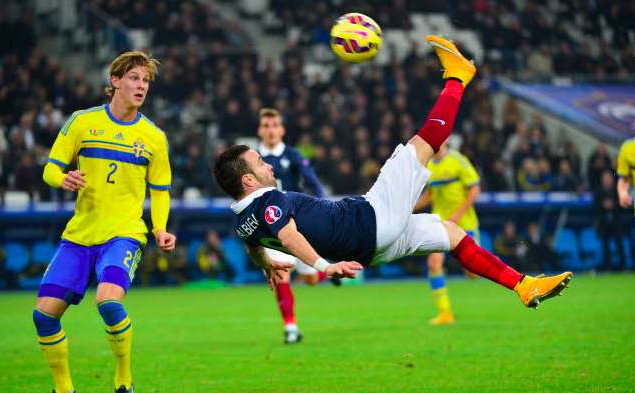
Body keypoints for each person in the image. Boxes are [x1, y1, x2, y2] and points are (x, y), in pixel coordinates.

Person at [212, 36, 572, 316]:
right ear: (248, 180)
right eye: (260, 164)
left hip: (372, 249)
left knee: (451, 234)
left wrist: (269, 268)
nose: (269, 166)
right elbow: (288, 236)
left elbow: (256, 247)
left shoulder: (244, 219)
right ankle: (458, 77)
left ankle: (523, 285)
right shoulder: (270, 201)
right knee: (423, 144)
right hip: (372, 219)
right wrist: (325, 267)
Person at [30, 51, 176, 393]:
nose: (141, 85)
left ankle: (123, 385)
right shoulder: (82, 122)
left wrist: (160, 228)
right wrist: (62, 178)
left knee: (108, 302)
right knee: (44, 316)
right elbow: (50, 167)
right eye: (134, 78)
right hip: (79, 236)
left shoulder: (154, 137)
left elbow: (160, 190)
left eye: (145, 80)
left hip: (124, 234)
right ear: (114, 81)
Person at [256, 107, 336, 344]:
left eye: (274, 125)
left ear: (282, 129)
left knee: (310, 279)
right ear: (260, 130)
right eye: (266, 126)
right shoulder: (251, 159)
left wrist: (324, 203)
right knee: (281, 275)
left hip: (295, 224)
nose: (271, 130)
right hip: (268, 227)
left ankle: (326, 274)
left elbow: (312, 180)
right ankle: (291, 327)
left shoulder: (292, 155)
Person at [414, 138, 481, 325]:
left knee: (473, 272)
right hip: (440, 223)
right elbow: (430, 195)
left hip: (464, 223)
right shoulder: (429, 166)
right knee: (434, 263)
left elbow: (474, 189)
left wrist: (458, 215)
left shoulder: (458, 160)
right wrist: (407, 209)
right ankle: (445, 313)